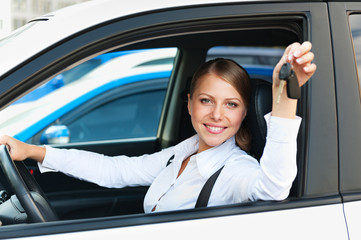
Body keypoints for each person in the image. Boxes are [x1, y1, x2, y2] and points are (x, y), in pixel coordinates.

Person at [0, 42, 316, 213]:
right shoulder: (185, 152)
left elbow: (273, 189)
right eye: (207, 101)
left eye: (231, 104)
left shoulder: (235, 169)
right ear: (190, 103)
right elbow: (114, 171)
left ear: (244, 111)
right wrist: (32, 151)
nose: (217, 114)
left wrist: (283, 97)